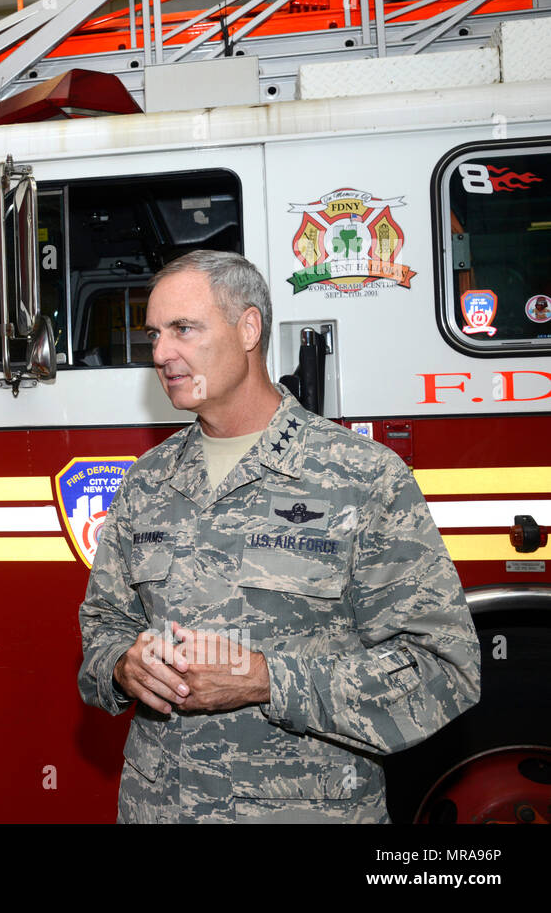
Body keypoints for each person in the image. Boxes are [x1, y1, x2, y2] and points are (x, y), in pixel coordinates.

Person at [78, 250, 481, 823]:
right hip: (160, 807)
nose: (162, 353)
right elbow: (103, 629)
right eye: (155, 335)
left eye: (184, 329)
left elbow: (443, 670)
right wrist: (124, 665)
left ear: (249, 328)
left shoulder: (362, 476)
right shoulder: (149, 481)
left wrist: (266, 681)